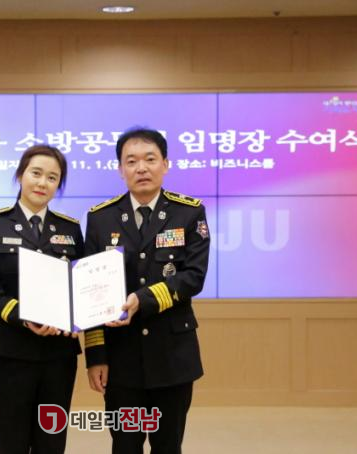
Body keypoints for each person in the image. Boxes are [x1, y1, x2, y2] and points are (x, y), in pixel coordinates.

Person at [84, 128, 210, 454]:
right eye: (131, 161)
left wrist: (143, 300)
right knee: (124, 444)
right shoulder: (100, 218)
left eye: (150, 159)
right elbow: (90, 291)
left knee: (168, 445)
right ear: (120, 169)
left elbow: (193, 277)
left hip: (172, 355)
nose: (141, 168)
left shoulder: (189, 212)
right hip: (120, 358)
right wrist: (95, 357)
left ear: (165, 164)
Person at [0, 144, 84, 454]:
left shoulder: (71, 229)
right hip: (10, 352)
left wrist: (78, 315)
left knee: (52, 442)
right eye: (36, 173)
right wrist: (24, 315)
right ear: (21, 175)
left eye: (52, 177)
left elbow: (81, 284)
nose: (42, 183)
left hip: (58, 356)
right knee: (11, 441)